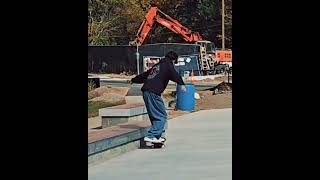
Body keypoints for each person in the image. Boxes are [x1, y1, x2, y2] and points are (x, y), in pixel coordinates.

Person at [128, 51, 186, 143]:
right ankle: (152, 136)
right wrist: (181, 84)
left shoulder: (157, 66)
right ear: (173, 60)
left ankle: (157, 137)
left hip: (147, 92)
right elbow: (174, 74)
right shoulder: (168, 65)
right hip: (153, 93)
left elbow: (145, 75)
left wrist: (133, 80)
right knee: (161, 116)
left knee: (155, 115)